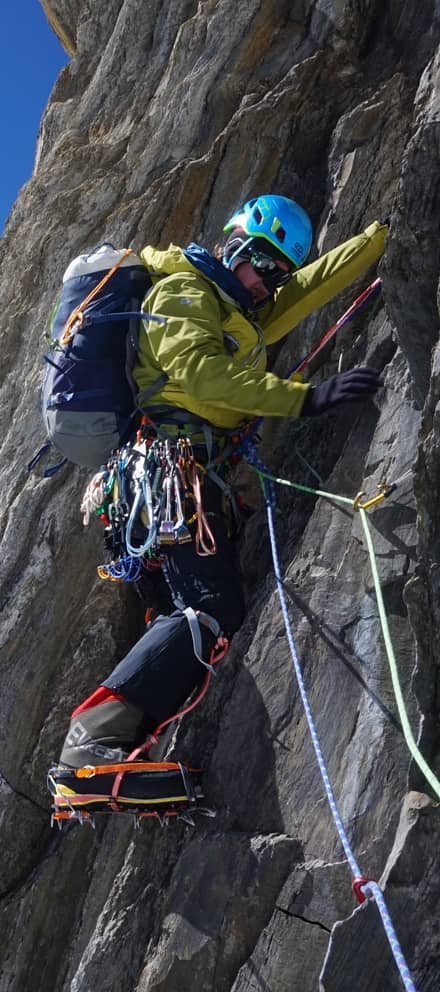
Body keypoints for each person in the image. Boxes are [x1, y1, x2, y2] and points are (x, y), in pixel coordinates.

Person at [48, 195, 388, 820]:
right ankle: (89, 749)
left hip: (163, 490)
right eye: (262, 262)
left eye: (276, 271)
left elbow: (309, 288)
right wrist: (307, 398)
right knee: (209, 609)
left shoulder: (238, 306)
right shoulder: (186, 290)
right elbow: (202, 375)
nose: (268, 280)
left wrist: (379, 235)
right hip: (169, 476)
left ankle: (115, 752)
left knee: (181, 618)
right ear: (232, 243)